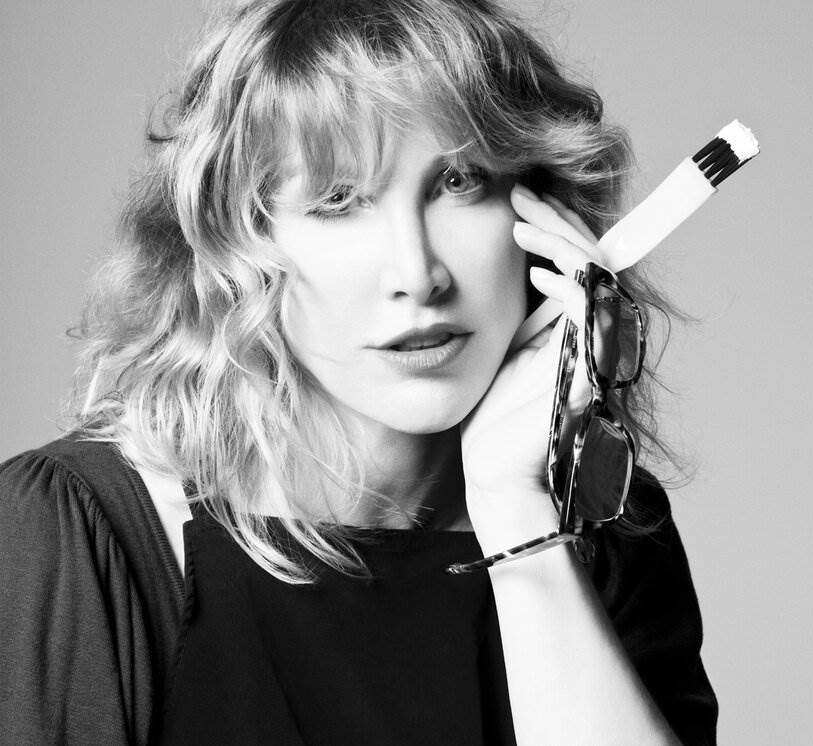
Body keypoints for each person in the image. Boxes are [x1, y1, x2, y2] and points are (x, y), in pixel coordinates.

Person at [0, 0, 718, 743]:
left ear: (544, 213)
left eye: (460, 181)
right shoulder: (81, 534)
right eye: (337, 200)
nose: (417, 274)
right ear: (234, 247)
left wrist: (518, 513)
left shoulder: (608, 528)